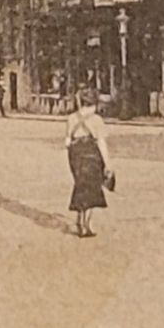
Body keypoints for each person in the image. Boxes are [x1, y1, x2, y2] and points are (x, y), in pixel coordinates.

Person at [65, 87, 113, 238]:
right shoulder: (96, 120)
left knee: (80, 185)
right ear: (93, 103)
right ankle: (86, 225)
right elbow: (102, 144)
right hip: (91, 155)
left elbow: (67, 141)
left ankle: (80, 220)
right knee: (92, 189)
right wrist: (108, 164)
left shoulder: (72, 118)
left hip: (75, 155)